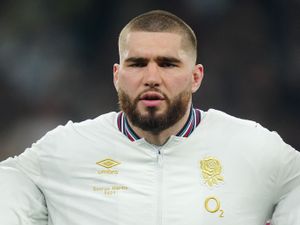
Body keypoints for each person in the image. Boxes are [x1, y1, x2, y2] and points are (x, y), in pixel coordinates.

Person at [0, 9, 300, 225]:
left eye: (168, 64)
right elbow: (11, 180)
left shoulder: (251, 146)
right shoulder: (65, 149)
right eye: (137, 63)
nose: (151, 77)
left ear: (196, 77)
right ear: (117, 76)